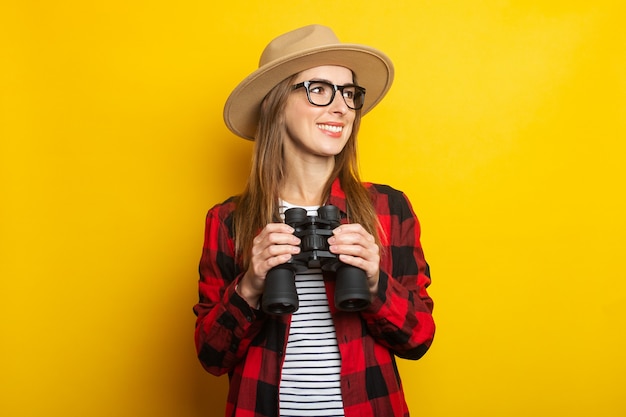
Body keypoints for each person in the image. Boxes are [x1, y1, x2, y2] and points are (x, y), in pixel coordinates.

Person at [193, 24, 436, 417]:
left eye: (349, 93)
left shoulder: (388, 208)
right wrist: (251, 285)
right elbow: (211, 356)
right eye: (318, 89)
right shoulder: (229, 220)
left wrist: (375, 282)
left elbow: (419, 340)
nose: (341, 107)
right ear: (276, 103)